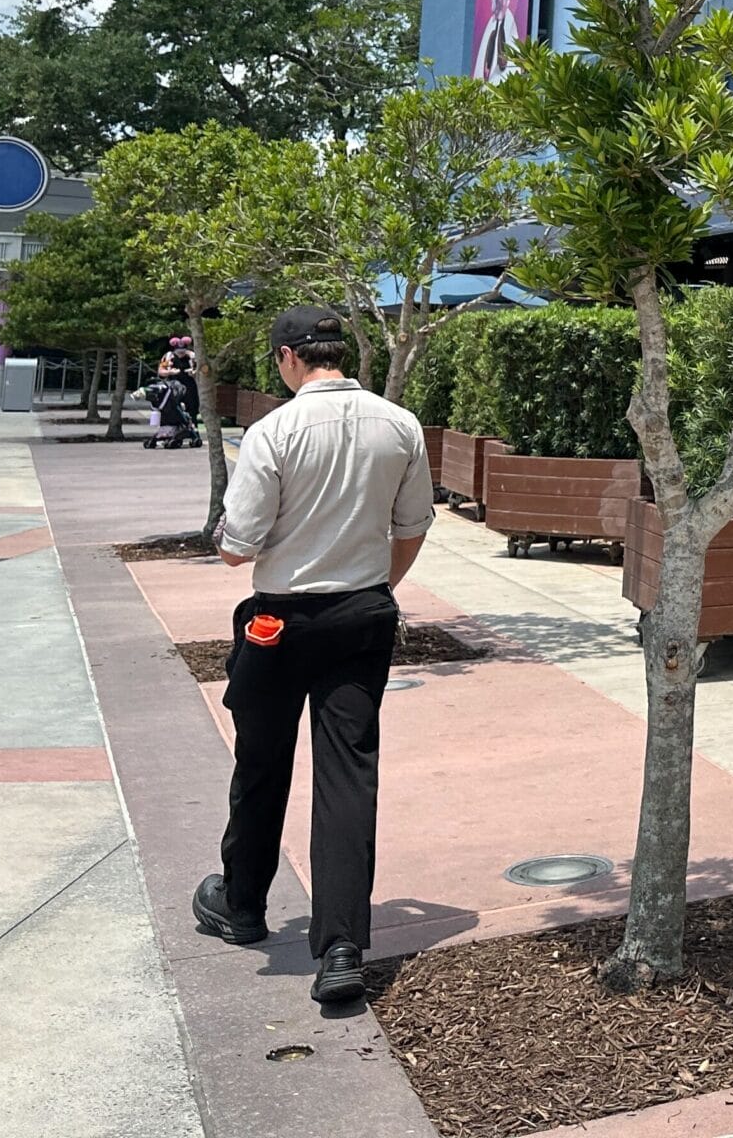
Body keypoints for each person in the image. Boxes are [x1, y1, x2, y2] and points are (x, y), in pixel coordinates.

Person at [191, 304, 432, 1006]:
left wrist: (226, 535)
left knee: (262, 763)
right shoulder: (400, 424)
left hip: (278, 618)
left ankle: (241, 905)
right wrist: (379, 585)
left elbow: (237, 548)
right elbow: (413, 525)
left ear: (289, 358)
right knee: (347, 774)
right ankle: (342, 948)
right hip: (362, 612)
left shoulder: (273, 431)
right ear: (342, 353)